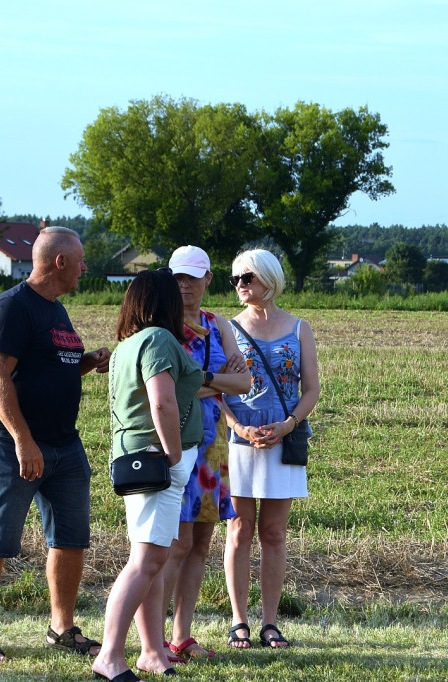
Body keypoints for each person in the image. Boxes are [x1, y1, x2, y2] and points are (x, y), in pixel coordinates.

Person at [0, 227, 111, 663]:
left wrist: (87, 363)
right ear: (60, 261)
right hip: (15, 444)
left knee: (70, 538)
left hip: (65, 444)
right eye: (80, 261)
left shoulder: (57, 310)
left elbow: (50, 367)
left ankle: (62, 629)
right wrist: (23, 441)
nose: (85, 268)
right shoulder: (12, 307)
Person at [92, 269, 203, 682]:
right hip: (158, 461)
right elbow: (162, 403)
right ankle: (110, 655)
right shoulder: (158, 339)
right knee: (147, 560)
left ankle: (152, 651)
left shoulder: (126, 346)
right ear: (163, 302)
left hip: (135, 459)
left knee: (150, 557)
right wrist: (174, 452)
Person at [223, 249, 320, 650]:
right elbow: (217, 390)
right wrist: (238, 427)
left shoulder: (300, 329)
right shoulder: (227, 328)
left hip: (284, 438)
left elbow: (311, 389)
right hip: (240, 439)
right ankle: (239, 622)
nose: (241, 285)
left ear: (269, 278)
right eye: (235, 279)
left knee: (275, 533)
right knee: (239, 530)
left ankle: (270, 623)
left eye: (248, 277)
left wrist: (288, 423)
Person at [160, 246, 251, 662]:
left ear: (209, 279)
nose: (185, 286)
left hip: (214, 448)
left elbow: (245, 382)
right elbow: (176, 391)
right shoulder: (163, 327)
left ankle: (182, 636)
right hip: (180, 443)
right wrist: (221, 380)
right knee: (174, 546)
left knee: (200, 544)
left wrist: (208, 380)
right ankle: (155, 637)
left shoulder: (219, 326)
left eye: (192, 278)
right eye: (178, 277)